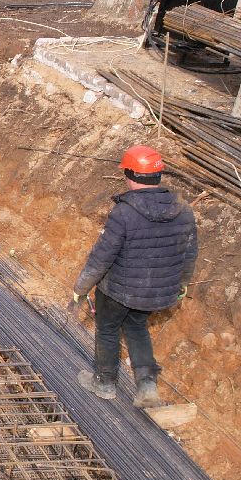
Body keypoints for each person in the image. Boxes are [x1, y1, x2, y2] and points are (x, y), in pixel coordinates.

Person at [73, 144, 198, 409]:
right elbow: (189, 253)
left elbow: (102, 256)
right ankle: (147, 386)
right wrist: (182, 284)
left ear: (129, 174)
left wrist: (82, 287)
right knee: (136, 328)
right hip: (155, 292)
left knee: (108, 328)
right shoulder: (184, 210)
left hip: (119, 290)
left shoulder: (125, 212)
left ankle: (104, 383)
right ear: (158, 175)